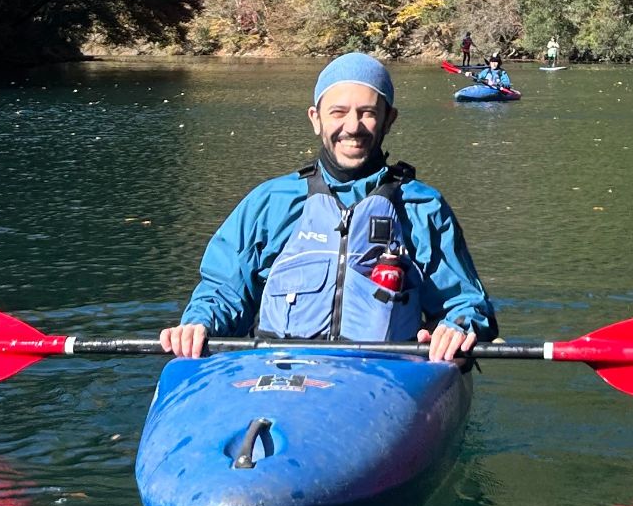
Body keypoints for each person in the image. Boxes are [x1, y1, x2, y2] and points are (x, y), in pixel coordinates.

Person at [158, 52, 494, 365]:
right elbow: (224, 291)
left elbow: (463, 303)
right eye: (338, 112)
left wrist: (457, 327)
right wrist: (200, 323)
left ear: (389, 119)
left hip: (385, 378)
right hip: (276, 374)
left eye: (367, 112)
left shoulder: (421, 206)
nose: (352, 126)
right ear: (316, 119)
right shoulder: (271, 202)